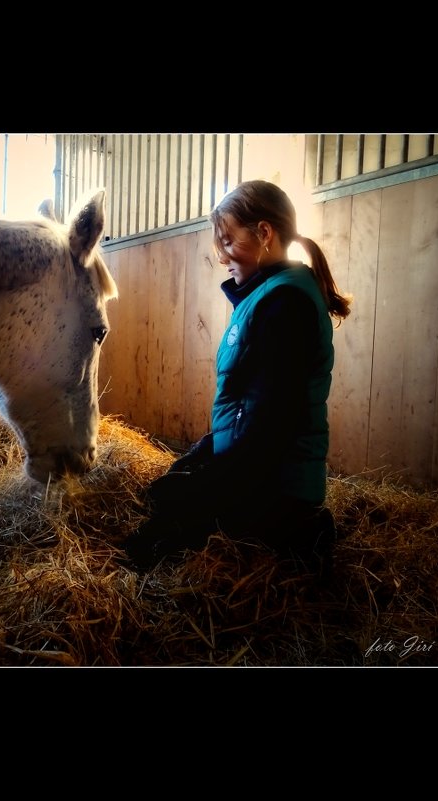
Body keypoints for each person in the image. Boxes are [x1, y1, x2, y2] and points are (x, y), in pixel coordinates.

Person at [124, 180, 352, 574]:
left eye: (228, 242)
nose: (223, 257)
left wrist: (211, 485)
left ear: (264, 234)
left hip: (276, 485)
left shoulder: (285, 304)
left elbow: (271, 424)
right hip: (263, 474)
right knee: (163, 502)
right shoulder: (271, 296)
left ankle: (299, 533)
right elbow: (248, 408)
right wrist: (202, 456)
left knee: (151, 547)